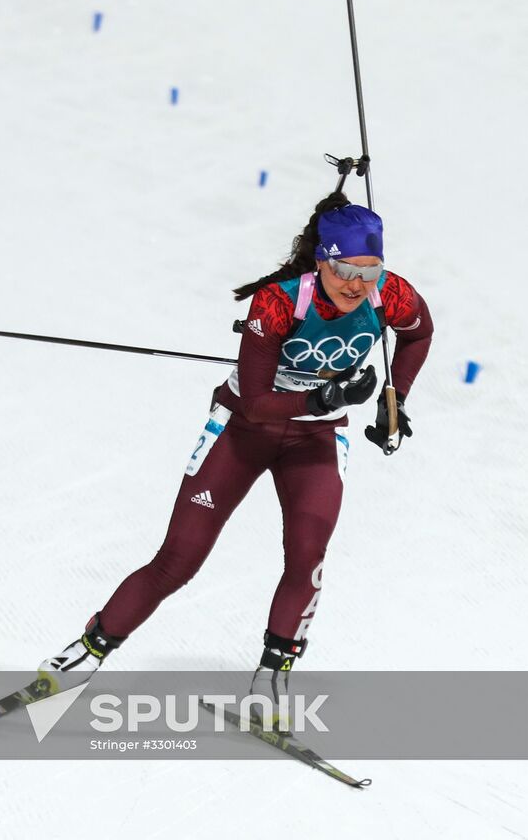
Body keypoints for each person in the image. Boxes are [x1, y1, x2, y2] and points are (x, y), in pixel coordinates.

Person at [39, 191, 433, 718]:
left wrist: (394, 398)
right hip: (244, 429)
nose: (357, 286)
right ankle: (82, 656)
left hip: (314, 439)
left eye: (370, 270)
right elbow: (257, 401)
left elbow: (419, 334)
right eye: (344, 269)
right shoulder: (278, 301)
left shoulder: (392, 296)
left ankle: (271, 679)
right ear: (323, 259)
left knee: (308, 555)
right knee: (178, 561)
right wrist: (327, 396)